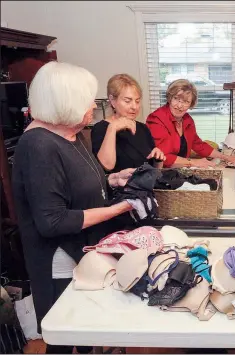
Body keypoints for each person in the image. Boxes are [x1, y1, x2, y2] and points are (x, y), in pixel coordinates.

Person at [12, 62, 138, 354]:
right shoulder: (39, 145)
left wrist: (113, 179)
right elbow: (52, 221)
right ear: (66, 102)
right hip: (59, 258)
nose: (94, 104)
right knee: (64, 332)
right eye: (87, 99)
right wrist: (117, 209)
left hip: (83, 247)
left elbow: (79, 183)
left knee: (86, 326)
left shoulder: (71, 134)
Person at [146, 79, 235, 168]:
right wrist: (194, 162)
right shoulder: (157, 119)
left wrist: (225, 157)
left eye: (186, 101)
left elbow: (199, 145)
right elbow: (162, 157)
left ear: (191, 104)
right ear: (170, 98)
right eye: (176, 98)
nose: (179, 106)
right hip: (159, 172)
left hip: (179, 169)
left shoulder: (187, 120)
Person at [91, 74, 165, 173]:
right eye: (127, 101)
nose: (134, 106)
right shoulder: (100, 128)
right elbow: (107, 166)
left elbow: (153, 172)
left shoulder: (143, 128)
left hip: (144, 187)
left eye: (137, 101)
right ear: (112, 100)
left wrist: (158, 160)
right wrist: (112, 128)